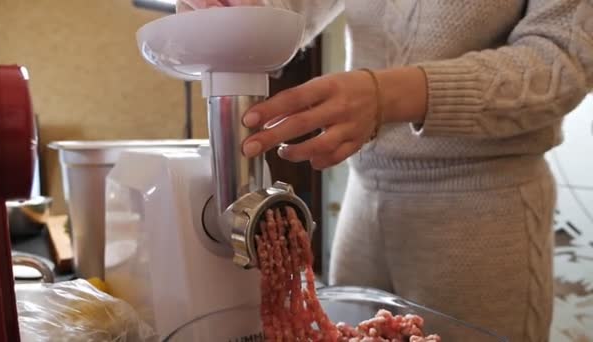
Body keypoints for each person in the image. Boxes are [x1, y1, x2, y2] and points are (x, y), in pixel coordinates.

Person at [177, 1, 593, 340]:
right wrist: (238, 13)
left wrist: (388, 95)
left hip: (483, 215)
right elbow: (291, 7)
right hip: (365, 201)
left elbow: (564, 60)